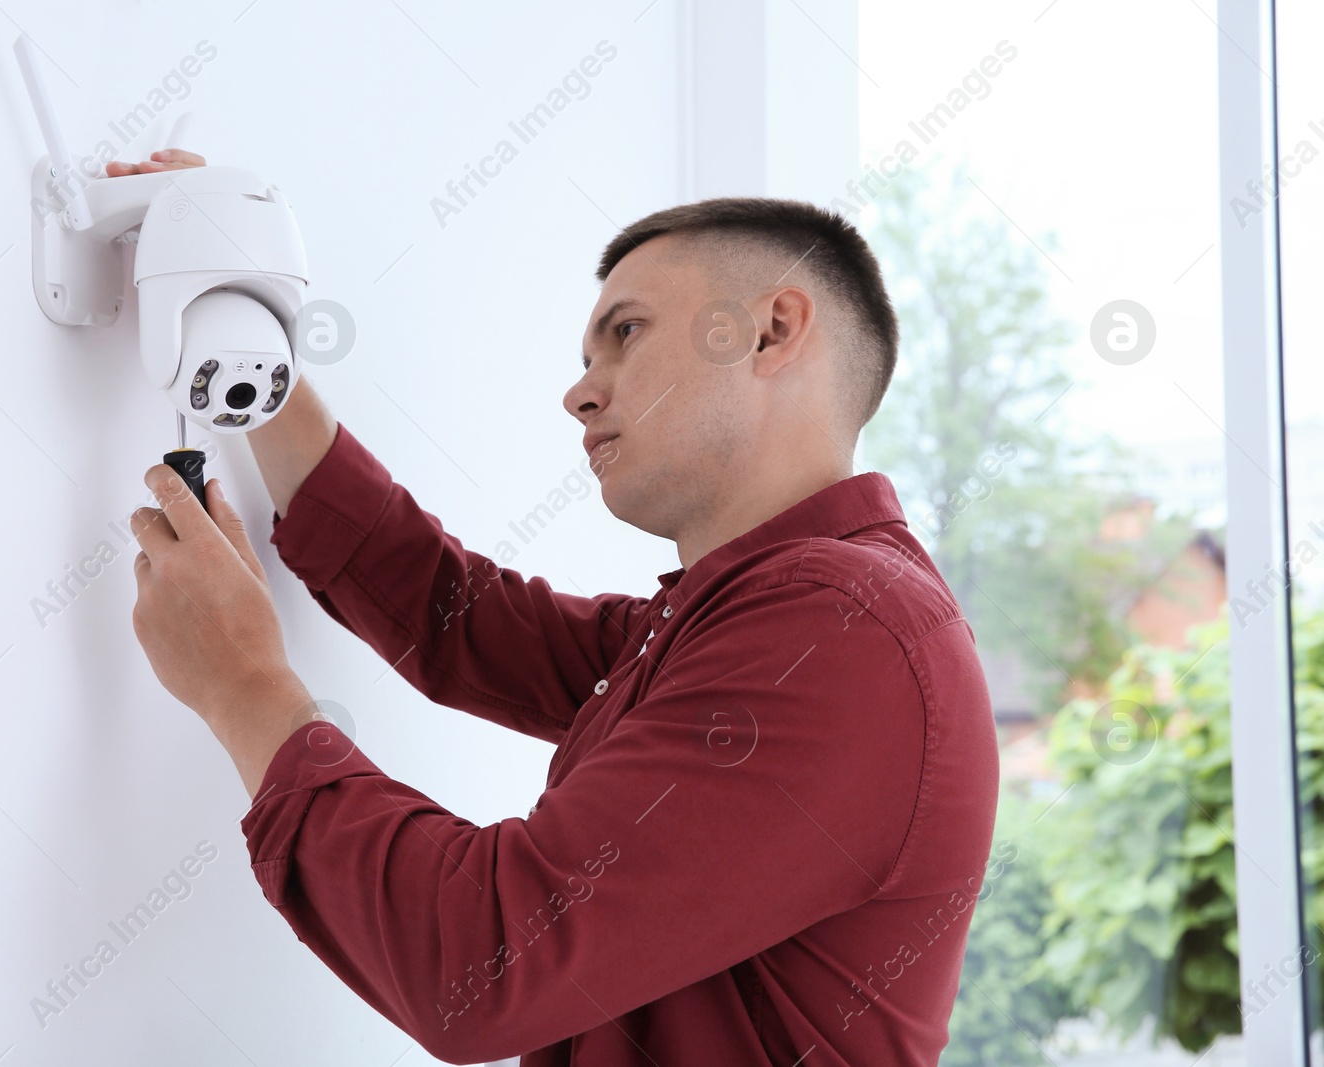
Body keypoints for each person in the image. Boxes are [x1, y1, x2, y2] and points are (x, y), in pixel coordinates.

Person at [116, 149, 999, 1066]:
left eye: (627, 331)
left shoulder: (844, 632)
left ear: (771, 331)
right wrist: (254, 356)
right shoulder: (750, 617)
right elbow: (458, 619)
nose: (579, 391)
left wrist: (243, 685)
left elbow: (482, 962)